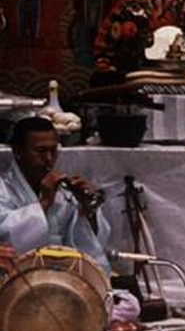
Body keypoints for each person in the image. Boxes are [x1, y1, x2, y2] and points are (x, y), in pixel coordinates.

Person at [0, 116, 110, 274]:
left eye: (53, 150)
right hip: (13, 281)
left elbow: (88, 249)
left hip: (61, 280)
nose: (49, 159)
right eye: (41, 151)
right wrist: (44, 203)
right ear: (18, 152)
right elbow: (6, 238)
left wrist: (87, 211)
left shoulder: (64, 194)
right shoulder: (3, 188)